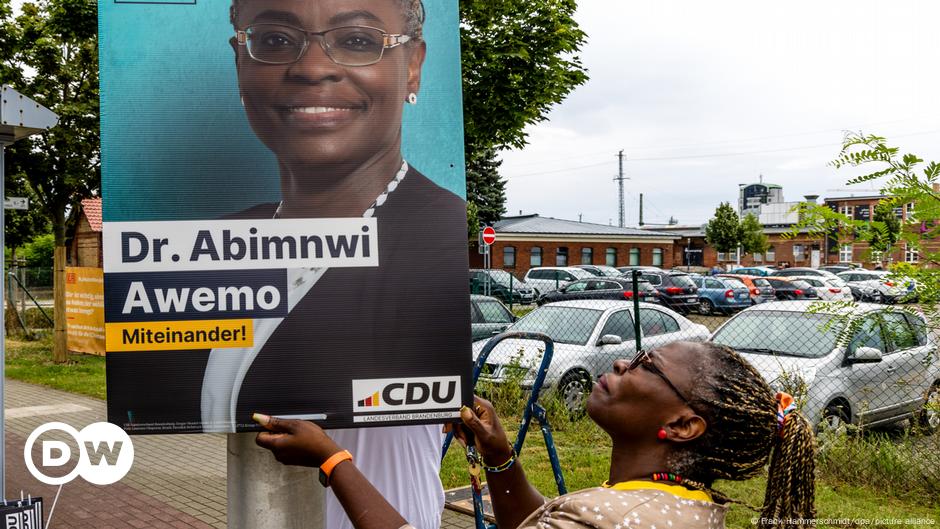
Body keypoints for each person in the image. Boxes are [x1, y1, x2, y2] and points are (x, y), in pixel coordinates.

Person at [107, 1, 465, 528]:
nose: (313, 67)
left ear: (412, 65)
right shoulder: (206, 248)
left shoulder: (432, 247)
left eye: (359, 40)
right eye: (274, 40)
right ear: (239, 63)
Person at [254, 341, 818, 529]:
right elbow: (539, 521)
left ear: (683, 425)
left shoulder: (611, 517)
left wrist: (333, 461)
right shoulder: (678, 504)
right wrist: (500, 455)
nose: (622, 364)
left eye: (647, 365)